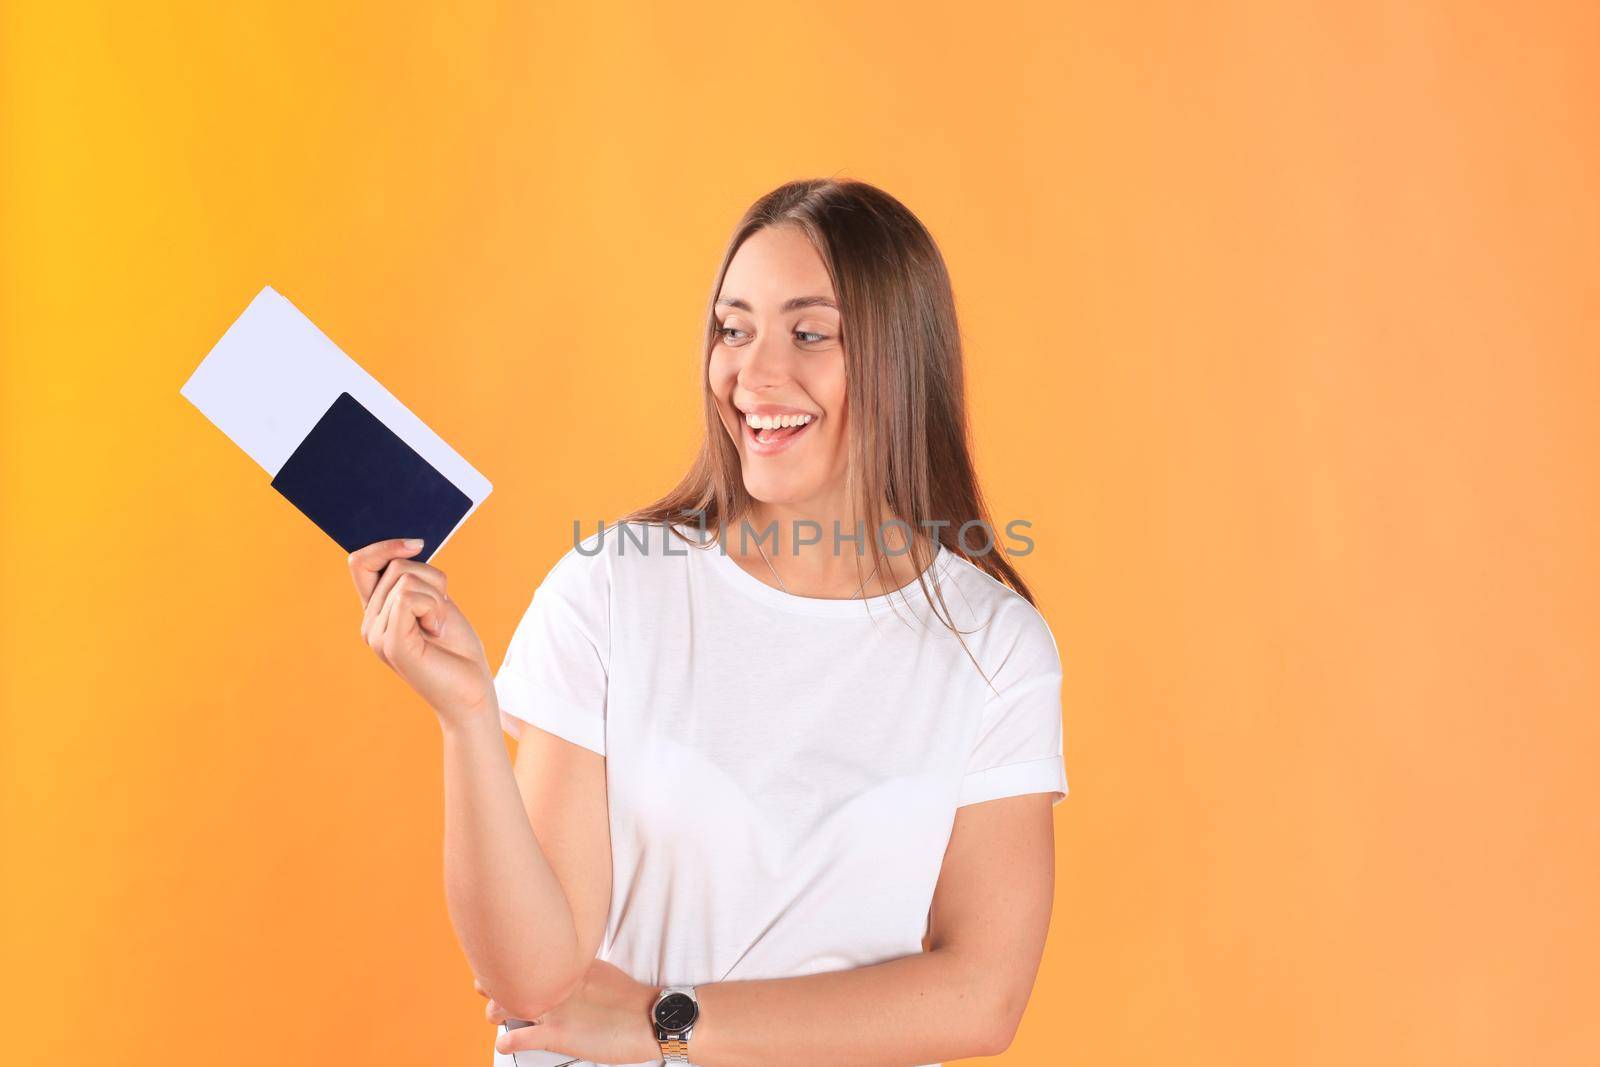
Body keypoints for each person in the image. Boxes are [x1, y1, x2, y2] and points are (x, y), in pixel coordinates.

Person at [347, 178, 1069, 1067]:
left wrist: (667, 1023)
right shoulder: (613, 587)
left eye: (809, 333)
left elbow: (979, 999)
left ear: (900, 359)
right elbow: (533, 979)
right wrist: (464, 717)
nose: (753, 376)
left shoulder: (991, 646)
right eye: (734, 329)